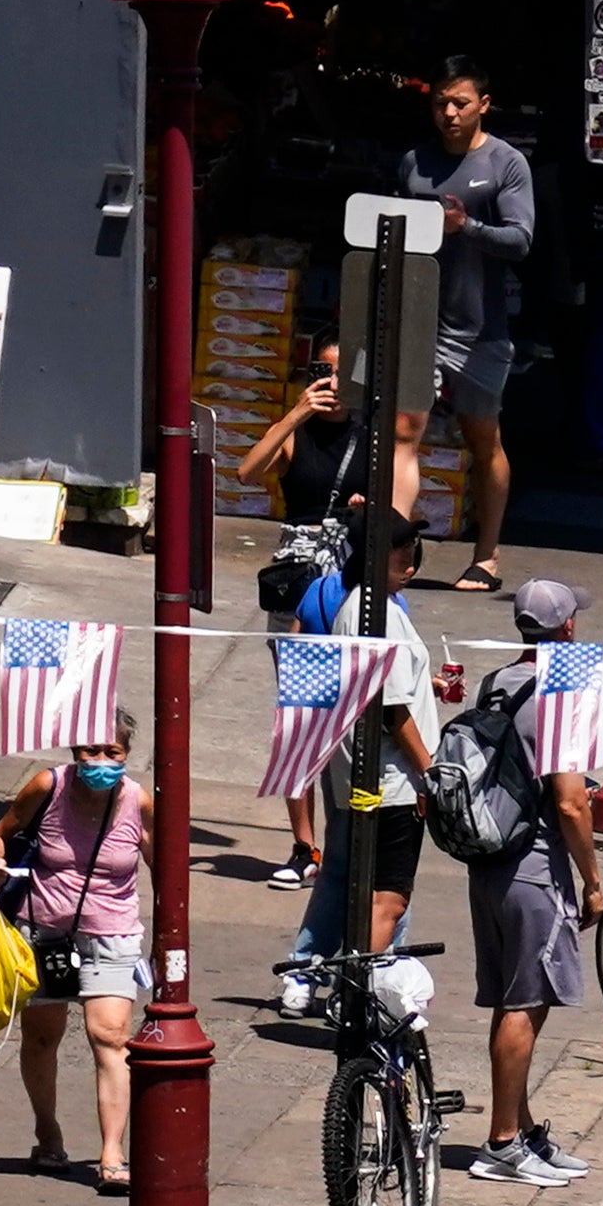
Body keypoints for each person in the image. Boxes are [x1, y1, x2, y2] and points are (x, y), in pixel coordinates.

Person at [463, 582, 603, 1189]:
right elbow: (571, 803)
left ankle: (520, 1129)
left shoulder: (497, 682)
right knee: (528, 1002)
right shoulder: (558, 695)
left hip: (491, 861)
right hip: (534, 865)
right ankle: (501, 1142)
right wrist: (594, 881)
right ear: (568, 629)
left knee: (513, 998)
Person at [274, 513, 443, 1024]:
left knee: (356, 883)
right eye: (400, 555)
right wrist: (429, 771)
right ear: (372, 557)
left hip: (365, 779)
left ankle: (344, 986)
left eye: (414, 554)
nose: (410, 565)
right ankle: (357, 996)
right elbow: (391, 710)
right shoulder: (375, 613)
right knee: (387, 900)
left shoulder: (369, 606)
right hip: (391, 784)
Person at [387, 63, 536, 592]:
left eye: (460, 104)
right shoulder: (413, 164)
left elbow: (521, 241)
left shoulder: (506, 164)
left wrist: (466, 226)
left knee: (482, 438)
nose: (449, 113)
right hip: (417, 319)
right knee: (404, 432)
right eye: (440, 104)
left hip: (480, 329)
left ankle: (487, 555)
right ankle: (392, 553)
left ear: (483, 104)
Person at [0, 713, 150, 1191]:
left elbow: (163, 866)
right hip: (42, 932)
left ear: (126, 755)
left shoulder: (139, 802)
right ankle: (48, 1132)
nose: (101, 761)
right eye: (91, 751)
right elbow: (5, 831)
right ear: (74, 752)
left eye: (113, 753)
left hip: (113, 933)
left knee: (111, 1037)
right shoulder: (47, 786)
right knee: (42, 1037)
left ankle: (112, 1152)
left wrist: (166, 941)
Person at [241, 345, 363, 888]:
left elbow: (409, 512)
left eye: (341, 372)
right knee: (301, 716)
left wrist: (369, 509)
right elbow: (248, 472)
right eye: (322, 370)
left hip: (352, 586)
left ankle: (350, 840)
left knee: (354, 715)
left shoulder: (374, 436)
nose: (331, 381)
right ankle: (304, 846)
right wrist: (296, 412)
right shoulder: (298, 432)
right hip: (298, 591)